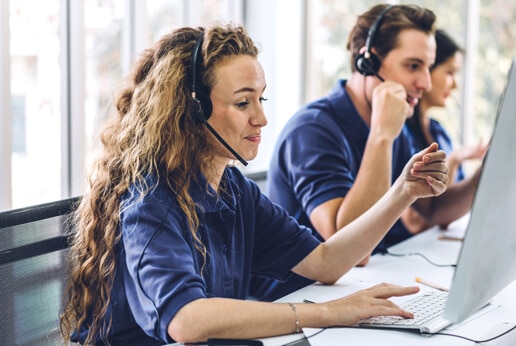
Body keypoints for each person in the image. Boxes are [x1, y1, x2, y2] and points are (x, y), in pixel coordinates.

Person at [58, 24, 449, 345]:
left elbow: (326, 262)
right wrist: (328, 313)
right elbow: (186, 320)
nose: (261, 118)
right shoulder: (150, 200)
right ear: (193, 110)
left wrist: (403, 192)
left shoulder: (231, 188)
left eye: (262, 99)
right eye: (244, 103)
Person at [250, 4, 477, 301]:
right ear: (366, 62)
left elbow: (432, 210)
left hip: (353, 289)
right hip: (299, 302)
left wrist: (490, 170)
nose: (426, 83)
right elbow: (351, 246)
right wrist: (381, 137)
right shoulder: (313, 130)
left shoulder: (393, 124)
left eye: (427, 66)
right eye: (413, 66)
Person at [402, 29, 487, 233]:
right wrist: (454, 161)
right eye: (449, 72)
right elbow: (418, 221)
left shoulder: (439, 132)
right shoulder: (400, 135)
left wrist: (455, 160)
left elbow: (448, 208)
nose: (455, 84)